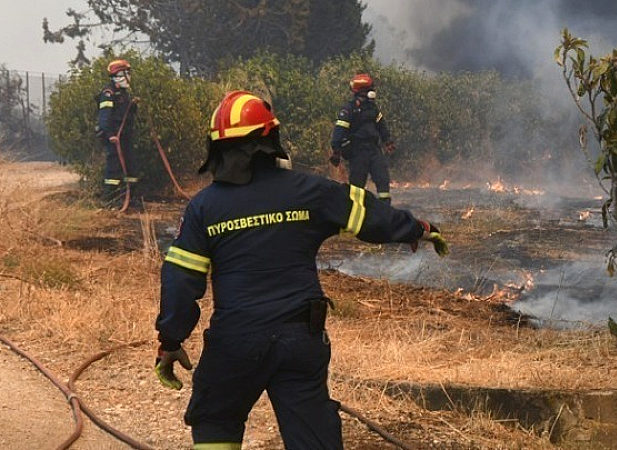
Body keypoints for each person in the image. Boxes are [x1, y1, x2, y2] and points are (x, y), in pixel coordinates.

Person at [154, 90, 448, 449]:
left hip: (235, 343)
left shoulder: (203, 208)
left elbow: (180, 280)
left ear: (217, 149)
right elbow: (370, 216)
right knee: (313, 438)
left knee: (215, 421)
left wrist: (170, 340)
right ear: (270, 140)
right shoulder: (309, 191)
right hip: (299, 341)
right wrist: (419, 229)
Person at [330, 72, 396, 204]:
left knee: (382, 179)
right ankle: (357, 213)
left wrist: (387, 141)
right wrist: (336, 151)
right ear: (362, 91)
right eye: (369, 89)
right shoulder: (349, 109)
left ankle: (385, 211)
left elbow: (381, 125)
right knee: (357, 186)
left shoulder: (372, 108)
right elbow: (339, 130)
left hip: (374, 149)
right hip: (358, 151)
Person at [95, 59, 139, 206]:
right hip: (114, 138)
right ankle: (110, 201)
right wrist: (110, 135)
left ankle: (130, 198)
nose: (129, 77)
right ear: (119, 75)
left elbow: (125, 114)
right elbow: (105, 117)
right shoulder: (108, 93)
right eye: (127, 73)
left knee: (131, 166)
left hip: (125, 137)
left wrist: (133, 105)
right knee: (113, 170)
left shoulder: (124, 93)